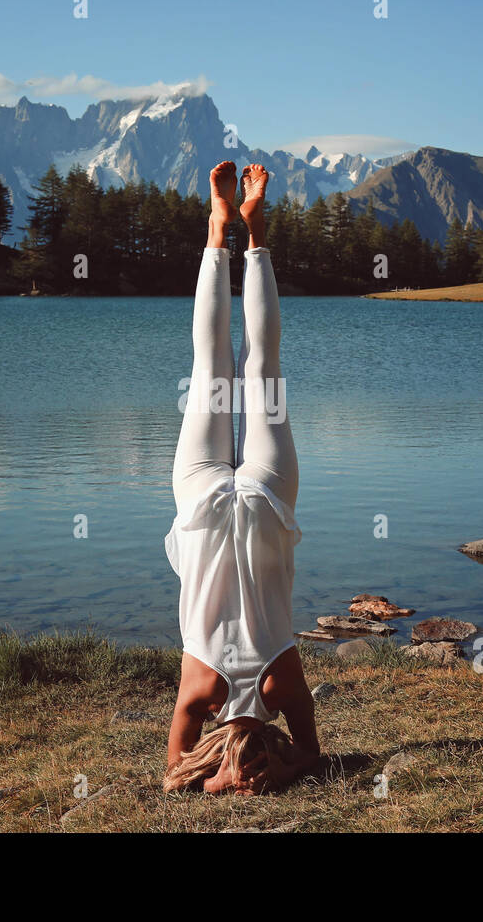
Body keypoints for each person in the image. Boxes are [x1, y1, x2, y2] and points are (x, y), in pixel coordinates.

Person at [162, 161, 321, 795]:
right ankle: (217, 229)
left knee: (260, 367)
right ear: (218, 738)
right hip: (203, 500)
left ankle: (252, 236)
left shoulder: (284, 683)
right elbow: (175, 771)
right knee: (212, 368)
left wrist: (277, 765)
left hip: (265, 496)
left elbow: (310, 754)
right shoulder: (201, 690)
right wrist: (207, 774)